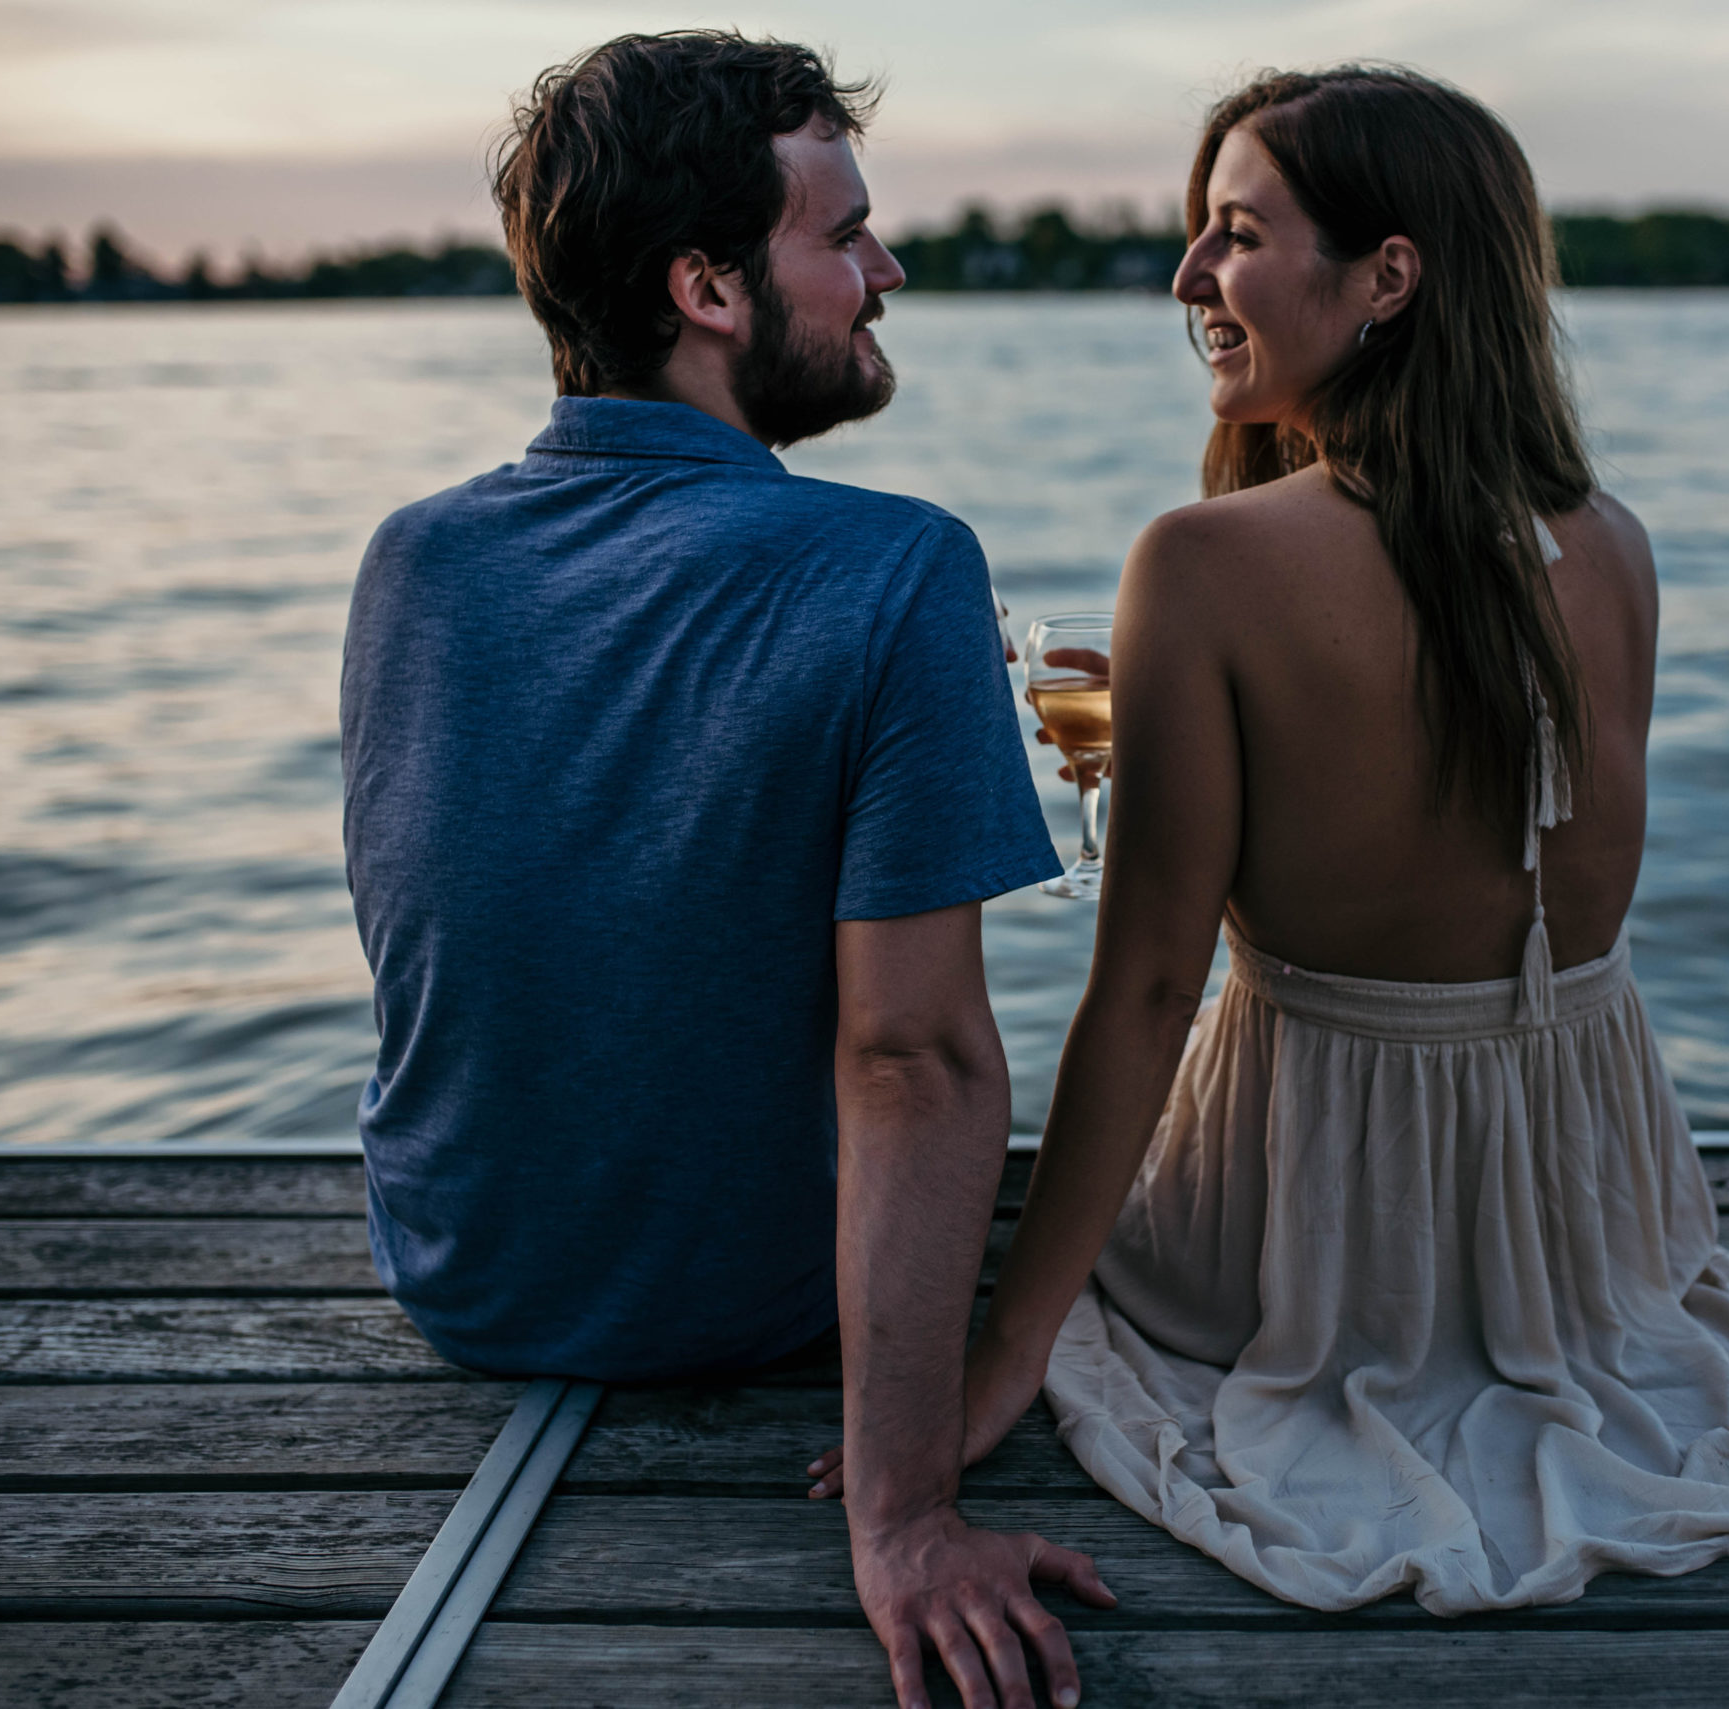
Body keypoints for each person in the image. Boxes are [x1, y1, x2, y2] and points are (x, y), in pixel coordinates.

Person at [815, 65, 1729, 1612]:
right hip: (1595, 1209)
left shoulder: (1201, 564)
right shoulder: (1611, 544)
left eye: (1236, 234)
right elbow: (1489, 843)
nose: (1190, 278)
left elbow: (1145, 995)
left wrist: (1001, 1351)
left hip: (1325, 1203)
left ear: (1388, 275)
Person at [340, 31, 1111, 1709]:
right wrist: (904, 1511)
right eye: (842, 237)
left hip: (466, 1281)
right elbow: (916, 1055)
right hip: (740, 1309)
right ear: (704, 284)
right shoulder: (897, 566)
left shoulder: (412, 561)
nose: (884, 272)